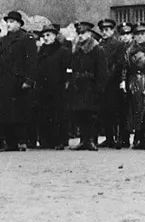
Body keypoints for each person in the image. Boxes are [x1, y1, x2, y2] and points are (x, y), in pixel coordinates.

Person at [0, 11, 38, 152]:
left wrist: (29, 80)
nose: (8, 24)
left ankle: (22, 141)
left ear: (19, 24)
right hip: (5, 82)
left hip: (19, 82)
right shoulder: (2, 41)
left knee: (21, 112)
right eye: (7, 21)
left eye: (12, 22)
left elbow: (31, 61)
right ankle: (10, 142)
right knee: (6, 113)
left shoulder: (26, 39)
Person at [68, 21, 108, 151]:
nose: (80, 36)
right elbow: (73, 67)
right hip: (79, 85)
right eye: (78, 33)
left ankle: (91, 140)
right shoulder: (76, 49)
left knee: (92, 114)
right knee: (80, 114)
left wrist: (99, 88)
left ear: (89, 33)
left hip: (91, 85)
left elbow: (102, 71)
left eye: (83, 33)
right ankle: (83, 140)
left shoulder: (97, 49)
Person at [35, 24, 70, 150]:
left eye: (48, 35)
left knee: (58, 115)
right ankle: (46, 140)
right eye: (44, 36)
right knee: (44, 114)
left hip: (57, 88)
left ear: (55, 36)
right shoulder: (41, 52)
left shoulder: (62, 51)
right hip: (43, 88)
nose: (45, 38)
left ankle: (59, 140)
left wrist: (66, 82)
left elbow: (67, 70)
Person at [97, 18, 125, 149]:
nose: (104, 32)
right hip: (102, 83)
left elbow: (119, 63)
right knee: (105, 110)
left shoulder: (118, 44)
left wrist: (109, 76)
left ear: (113, 31)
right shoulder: (99, 44)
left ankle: (119, 138)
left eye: (107, 30)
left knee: (117, 111)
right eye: (102, 30)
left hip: (114, 82)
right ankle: (109, 138)